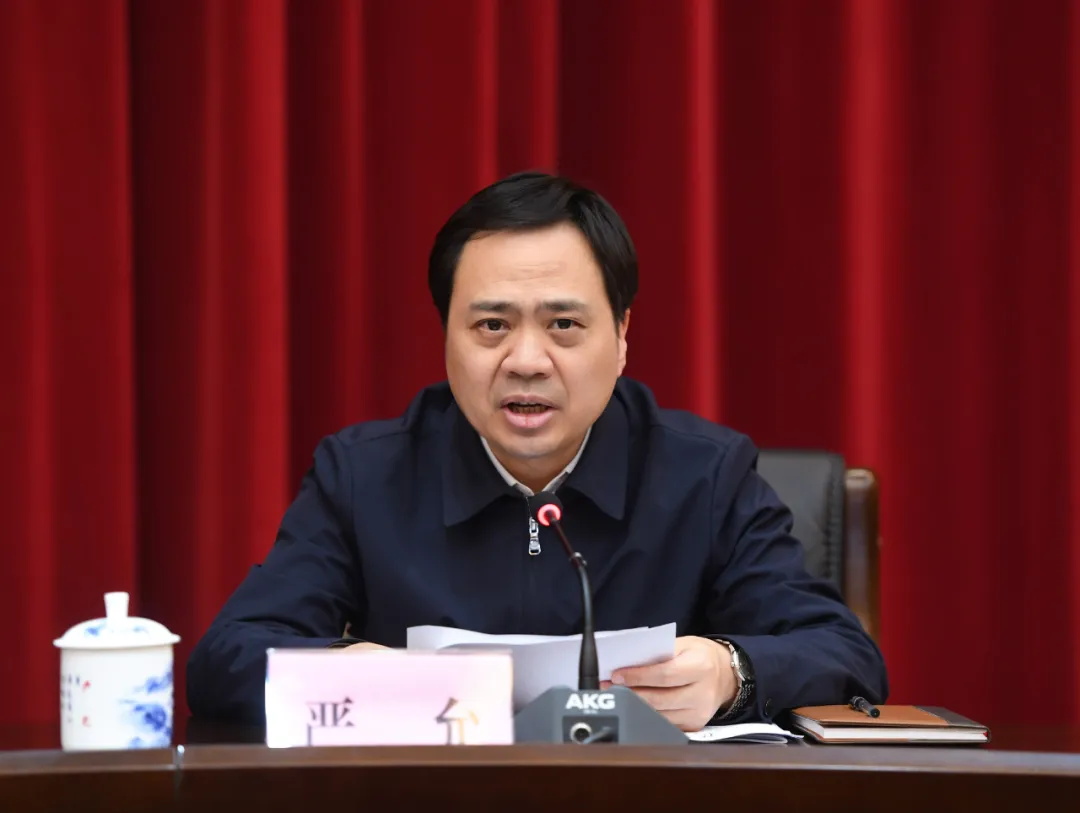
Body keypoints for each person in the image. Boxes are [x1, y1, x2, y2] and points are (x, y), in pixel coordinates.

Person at [187, 171, 888, 728]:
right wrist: (352, 671)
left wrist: (730, 673)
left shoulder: (705, 474)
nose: (526, 361)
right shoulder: (364, 474)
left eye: (563, 325)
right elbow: (226, 660)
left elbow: (844, 654)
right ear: (446, 337)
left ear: (621, 337)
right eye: (492, 325)